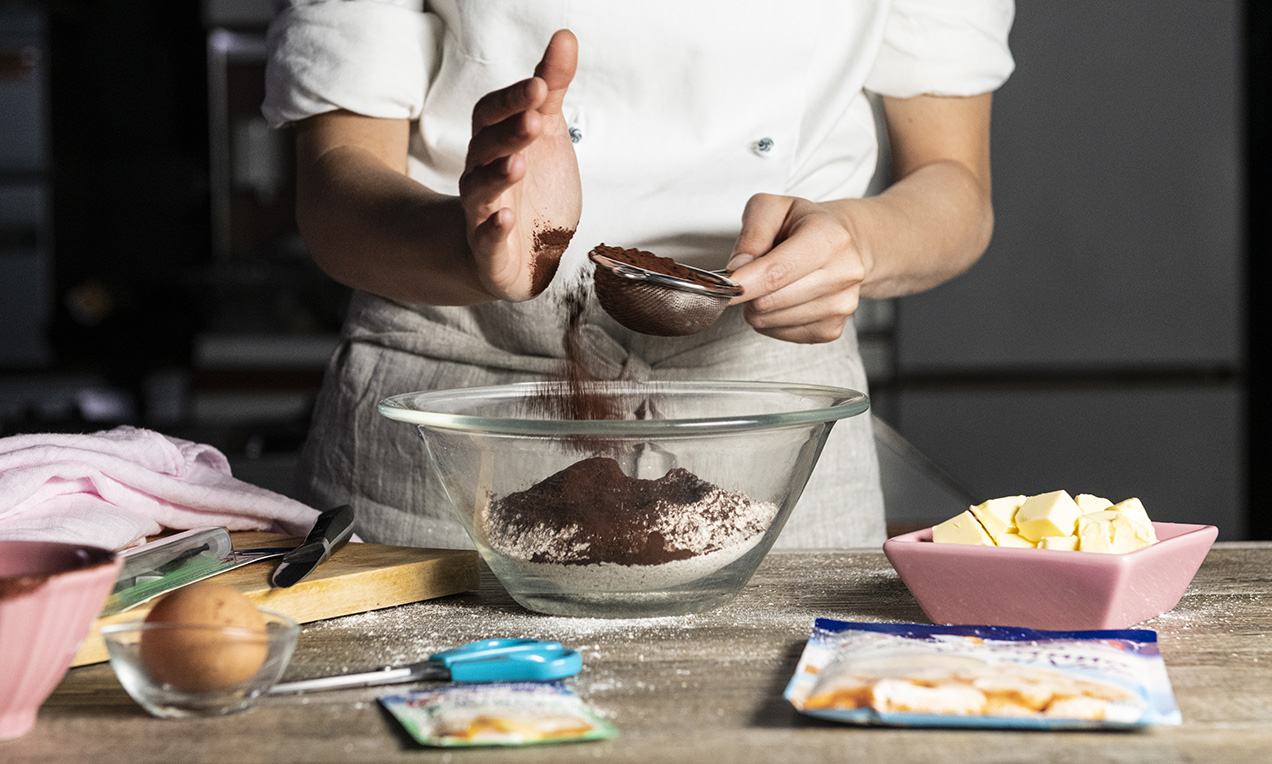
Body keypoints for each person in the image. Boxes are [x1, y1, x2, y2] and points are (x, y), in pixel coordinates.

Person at [262, 1, 1015, 550]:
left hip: (770, 419)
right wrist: (469, 245)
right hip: (453, 411)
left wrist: (858, 240)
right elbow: (334, 188)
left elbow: (955, 186)